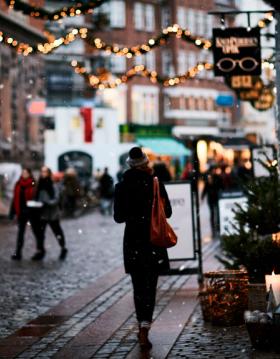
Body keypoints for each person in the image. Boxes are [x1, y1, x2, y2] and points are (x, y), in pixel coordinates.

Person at [114, 147, 172, 350]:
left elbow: (118, 217)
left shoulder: (121, 186)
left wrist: (133, 214)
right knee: (150, 286)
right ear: (146, 163)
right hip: (153, 241)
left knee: (138, 287)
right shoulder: (155, 184)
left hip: (133, 242)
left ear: (129, 164)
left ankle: (141, 326)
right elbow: (169, 212)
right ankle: (145, 327)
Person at [33, 166, 68, 261]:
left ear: (48, 173)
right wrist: (36, 203)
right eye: (42, 171)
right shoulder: (39, 185)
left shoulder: (53, 185)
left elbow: (56, 199)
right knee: (40, 233)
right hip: (42, 213)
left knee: (57, 231)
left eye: (45, 172)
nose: (43, 173)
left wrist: (47, 203)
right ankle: (40, 251)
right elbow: (36, 197)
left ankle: (63, 248)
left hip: (52, 213)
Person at [10, 168, 42, 260]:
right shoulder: (18, 184)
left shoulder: (33, 183)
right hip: (21, 212)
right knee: (20, 233)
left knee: (36, 232)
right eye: (23, 172)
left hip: (32, 212)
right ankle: (18, 252)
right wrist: (12, 212)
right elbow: (15, 198)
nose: (24, 174)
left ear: (29, 173)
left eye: (25, 173)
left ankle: (40, 251)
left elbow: (36, 196)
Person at [201, 166, 223, 238]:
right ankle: (213, 228)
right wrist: (202, 197)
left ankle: (218, 227)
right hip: (211, 198)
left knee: (217, 213)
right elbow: (205, 188)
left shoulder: (218, 178)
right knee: (212, 213)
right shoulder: (208, 179)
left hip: (216, 198)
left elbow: (221, 187)